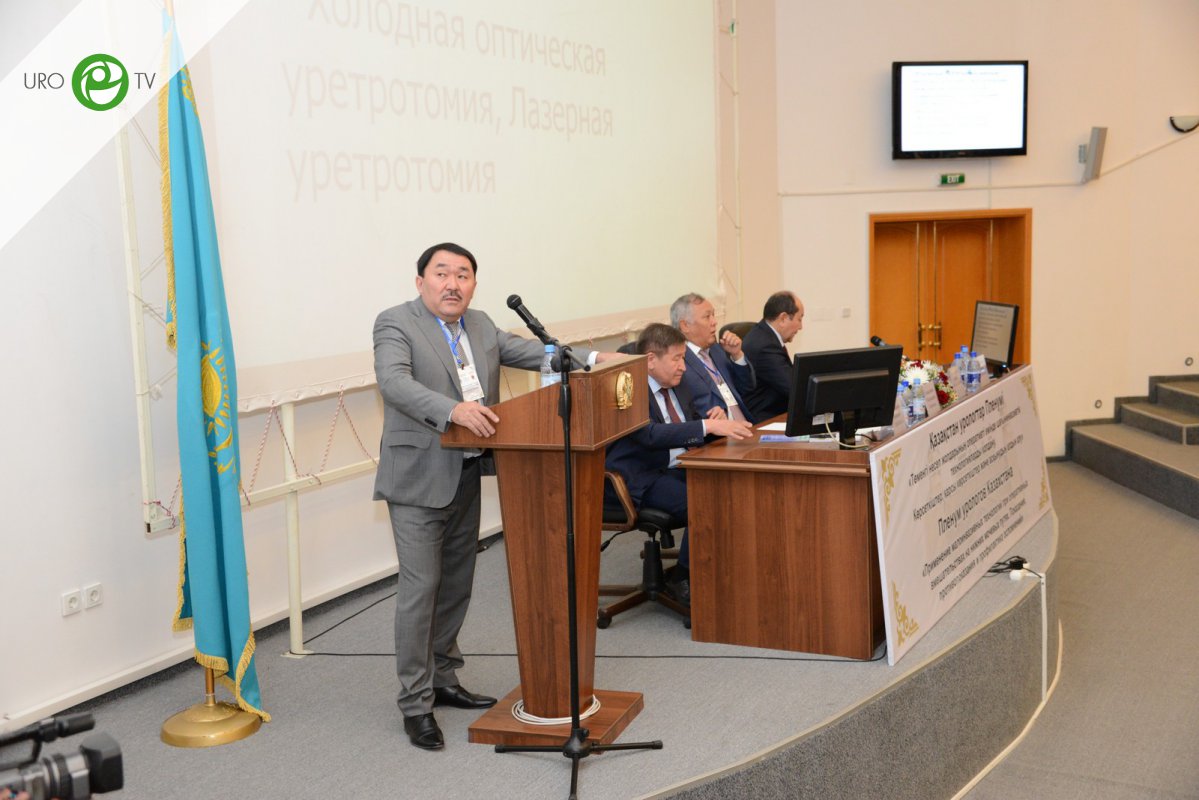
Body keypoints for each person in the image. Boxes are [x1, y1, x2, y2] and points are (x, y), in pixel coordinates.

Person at [373, 242, 610, 751]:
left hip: (468, 470)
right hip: (417, 476)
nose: (452, 283)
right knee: (421, 588)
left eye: (463, 275)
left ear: (474, 285)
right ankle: (415, 704)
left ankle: (444, 677)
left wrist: (595, 359)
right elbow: (393, 382)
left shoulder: (480, 325)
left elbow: (536, 353)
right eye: (442, 273)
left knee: (457, 583)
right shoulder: (395, 322)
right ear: (420, 281)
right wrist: (453, 410)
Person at [604, 323, 753, 605]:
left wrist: (715, 419)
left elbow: (693, 427)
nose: (683, 366)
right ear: (651, 359)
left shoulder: (679, 384)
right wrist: (706, 426)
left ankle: (721, 568)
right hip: (642, 477)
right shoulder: (627, 387)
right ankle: (682, 577)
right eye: (677, 359)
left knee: (735, 487)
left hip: (680, 466)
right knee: (705, 501)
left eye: (684, 358)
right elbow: (648, 435)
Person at [671, 293, 757, 423]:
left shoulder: (717, 349)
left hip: (747, 425)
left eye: (713, 315)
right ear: (685, 326)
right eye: (707, 317)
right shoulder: (679, 361)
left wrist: (737, 355)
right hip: (718, 432)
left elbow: (748, 388)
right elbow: (688, 414)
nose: (714, 322)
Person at [742, 291, 805, 420]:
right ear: (783, 318)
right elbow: (793, 388)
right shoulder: (765, 346)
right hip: (766, 419)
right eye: (799, 319)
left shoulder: (764, 334)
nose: (800, 327)